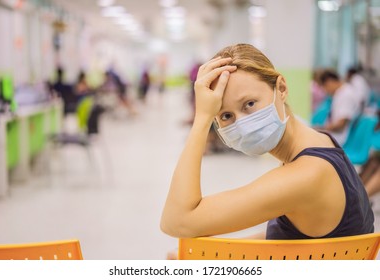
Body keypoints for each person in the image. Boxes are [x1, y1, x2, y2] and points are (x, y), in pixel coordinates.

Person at [160, 44, 374, 240]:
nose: (242, 124)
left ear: (281, 88)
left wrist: (202, 119)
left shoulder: (304, 175)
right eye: (226, 116)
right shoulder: (321, 142)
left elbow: (177, 222)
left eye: (249, 104)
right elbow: (287, 239)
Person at [318, 69, 360, 146]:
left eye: (324, 87)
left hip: (339, 139)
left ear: (329, 82)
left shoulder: (346, 95)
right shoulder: (340, 93)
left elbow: (341, 125)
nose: (325, 91)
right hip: (336, 135)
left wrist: (321, 129)